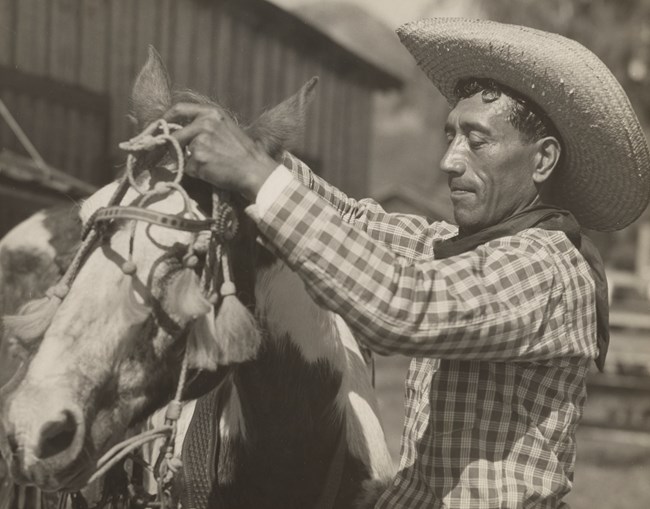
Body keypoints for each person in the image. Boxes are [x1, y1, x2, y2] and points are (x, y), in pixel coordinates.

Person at [165, 18, 650, 509]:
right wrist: (257, 150)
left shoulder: (547, 270)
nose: (450, 160)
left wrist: (253, 171)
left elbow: (402, 306)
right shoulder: (456, 248)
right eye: (450, 137)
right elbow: (353, 218)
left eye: (476, 142)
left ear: (542, 160)